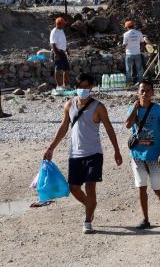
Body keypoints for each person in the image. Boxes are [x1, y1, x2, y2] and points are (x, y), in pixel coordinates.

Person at [43, 73, 123, 234]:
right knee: (74, 188)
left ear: (91, 88)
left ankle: (87, 221)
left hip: (93, 153)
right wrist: (51, 148)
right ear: (76, 88)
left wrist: (117, 150)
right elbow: (63, 128)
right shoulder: (69, 105)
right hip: (75, 155)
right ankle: (90, 205)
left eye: (87, 87)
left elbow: (109, 128)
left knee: (90, 186)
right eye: (81, 87)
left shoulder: (99, 107)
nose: (84, 90)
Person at [125, 80, 160, 230]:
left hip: (154, 155)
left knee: (157, 188)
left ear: (153, 93)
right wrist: (135, 108)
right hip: (137, 155)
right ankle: (145, 219)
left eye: (148, 91)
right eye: (142, 91)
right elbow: (127, 124)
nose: (145, 94)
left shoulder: (159, 110)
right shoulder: (133, 109)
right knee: (141, 187)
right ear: (137, 92)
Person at [123, 21, 147, 88]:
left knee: (128, 70)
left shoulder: (126, 34)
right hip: (137, 53)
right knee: (139, 69)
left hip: (129, 54)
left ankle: (128, 85)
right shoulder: (139, 33)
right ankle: (141, 84)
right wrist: (141, 49)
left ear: (127, 27)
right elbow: (142, 42)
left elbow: (124, 44)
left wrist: (125, 49)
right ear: (133, 26)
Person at [49, 17, 70, 90]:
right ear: (59, 24)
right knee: (58, 70)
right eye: (63, 24)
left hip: (62, 52)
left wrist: (66, 49)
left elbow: (63, 41)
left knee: (66, 69)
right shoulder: (54, 32)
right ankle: (59, 86)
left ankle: (66, 85)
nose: (64, 25)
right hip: (57, 52)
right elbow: (53, 45)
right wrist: (57, 55)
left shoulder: (61, 30)